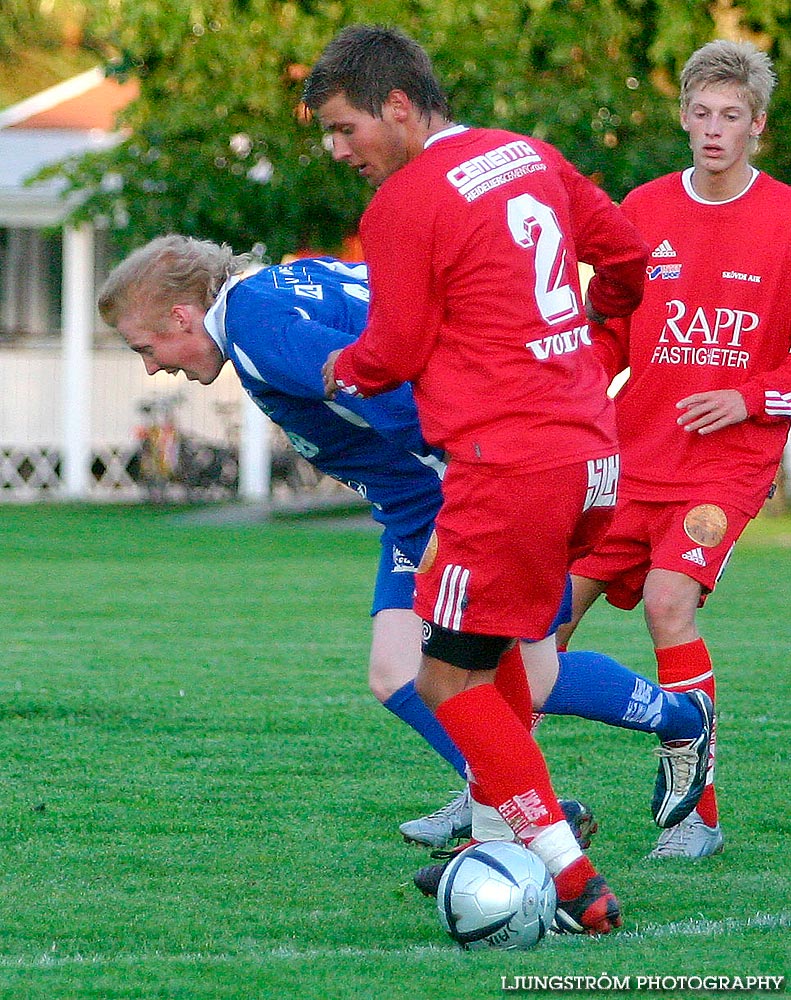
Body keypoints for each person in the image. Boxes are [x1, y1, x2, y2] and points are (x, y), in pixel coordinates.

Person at [98, 237, 712, 888]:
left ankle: (648, 743)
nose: (150, 368)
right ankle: (512, 817)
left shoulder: (254, 325)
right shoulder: (284, 284)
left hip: (460, 494)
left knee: (517, 678)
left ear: (181, 318)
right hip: (416, 506)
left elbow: (369, 379)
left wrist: (474, 459)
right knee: (399, 672)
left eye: (144, 348)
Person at [304, 24, 654, 934]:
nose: (339, 151)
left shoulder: (403, 203)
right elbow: (624, 260)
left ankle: (570, 879)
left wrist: (347, 365)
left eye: (344, 129)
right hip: (591, 456)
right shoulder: (526, 154)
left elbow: (397, 348)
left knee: (442, 680)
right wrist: (590, 343)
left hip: (510, 468)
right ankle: (503, 832)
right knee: (488, 658)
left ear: (396, 105)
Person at [557, 39, 791, 859]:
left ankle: (696, 816)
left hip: (726, 467)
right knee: (540, 615)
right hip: (631, 455)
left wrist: (752, 396)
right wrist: (560, 397)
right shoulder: (643, 208)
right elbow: (608, 332)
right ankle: (499, 794)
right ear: (683, 118)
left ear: (755, 125)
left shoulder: (787, 220)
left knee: (667, 601)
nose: (714, 129)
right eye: (701, 114)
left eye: (731, 116)